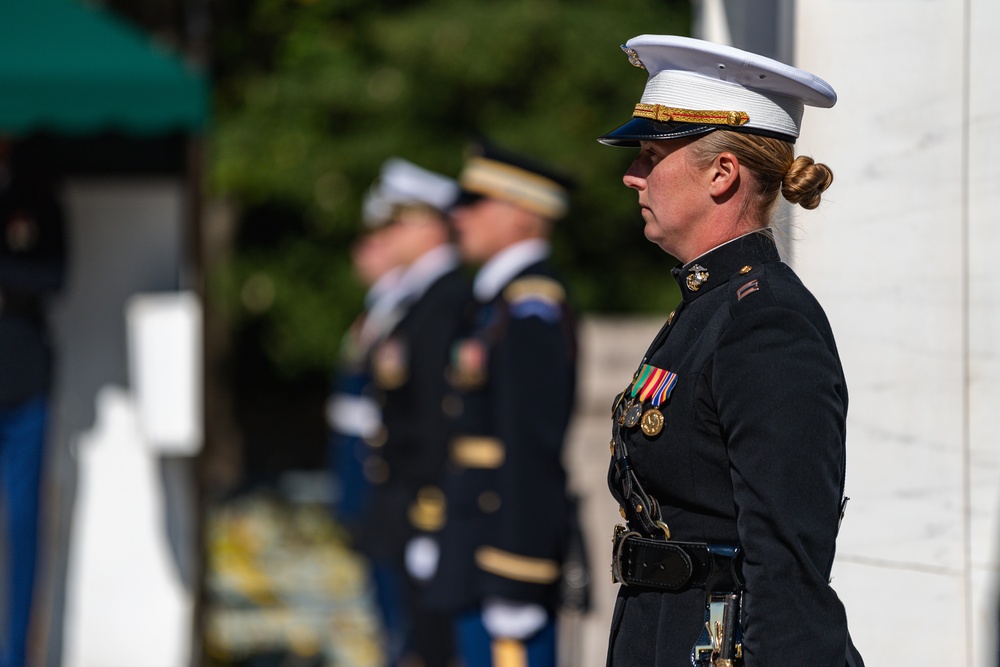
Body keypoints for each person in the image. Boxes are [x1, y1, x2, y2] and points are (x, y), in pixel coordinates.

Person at [596, 35, 864, 666]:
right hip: (665, 633)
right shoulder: (709, 307)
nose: (633, 174)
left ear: (722, 173)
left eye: (653, 154)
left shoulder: (764, 319)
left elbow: (786, 564)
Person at [419, 141, 578, 667]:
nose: (457, 217)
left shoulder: (531, 304)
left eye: (474, 203)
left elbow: (532, 440)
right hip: (473, 543)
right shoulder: (491, 302)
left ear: (520, 214)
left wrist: (520, 565)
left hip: (501, 553)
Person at [349, 157, 470, 667]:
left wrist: (428, 510)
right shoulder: (418, 299)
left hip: (422, 502)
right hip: (401, 499)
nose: (388, 236)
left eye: (397, 222)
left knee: (428, 645)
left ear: (429, 224)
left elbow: (437, 416)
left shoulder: (444, 301)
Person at [0, 135, 67, 667]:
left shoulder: (35, 193)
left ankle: (17, 655)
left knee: (24, 526)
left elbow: (53, 274)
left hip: (22, 381)